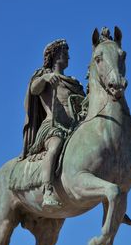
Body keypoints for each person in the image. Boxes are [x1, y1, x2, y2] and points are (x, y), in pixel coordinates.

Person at [20, 39, 85, 209]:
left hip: (74, 127)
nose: (69, 57)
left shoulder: (73, 82)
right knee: (55, 147)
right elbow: (34, 89)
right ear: (55, 55)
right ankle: (47, 190)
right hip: (53, 126)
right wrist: (46, 78)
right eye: (65, 53)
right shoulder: (44, 76)